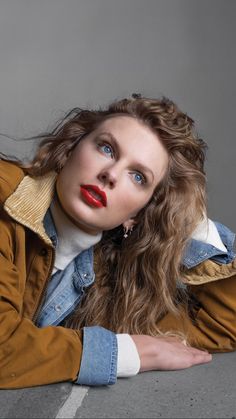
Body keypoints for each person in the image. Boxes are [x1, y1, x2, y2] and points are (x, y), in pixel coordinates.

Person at [0, 94, 235, 389]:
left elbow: (224, 323)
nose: (110, 175)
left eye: (138, 177)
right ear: (70, 148)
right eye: (107, 148)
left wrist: (189, 223)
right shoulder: (5, 201)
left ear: (138, 214)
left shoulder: (112, 278)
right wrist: (124, 353)